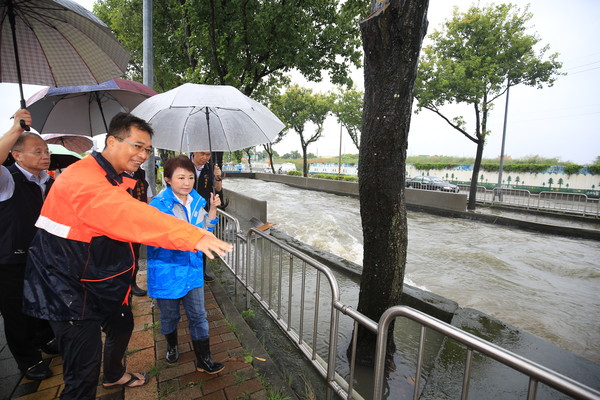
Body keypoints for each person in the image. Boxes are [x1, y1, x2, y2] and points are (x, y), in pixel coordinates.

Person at [22, 113, 232, 400]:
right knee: (82, 374)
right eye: (137, 146)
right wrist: (194, 236)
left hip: (101, 281)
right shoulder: (85, 179)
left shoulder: (117, 178)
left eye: (147, 149)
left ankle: (113, 375)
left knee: (122, 324)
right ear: (112, 142)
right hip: (70, 290)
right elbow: (132, 215)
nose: (143, 155)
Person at [147, 155, 225, 374]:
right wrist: (187, 238)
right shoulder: (157, 206)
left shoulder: (198, 201)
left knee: (198, 315)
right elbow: (157, 241)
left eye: (190, 177)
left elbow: (205, 230)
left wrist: (212, 210)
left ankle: (204, 359)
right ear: (168, 179)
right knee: (170, 316)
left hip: (191, 270)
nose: (187, 182)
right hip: (167, 270)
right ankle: (172, 345)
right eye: (181, 177)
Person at [0, 109, 58, 381]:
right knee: (15, 310)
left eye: (45, 150)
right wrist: (15, 130)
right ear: (17, 155)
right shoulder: (8, 179)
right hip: (10, 258)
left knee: (41, 299)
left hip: (41, 255)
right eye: (37, 151)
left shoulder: (48, 181)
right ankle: (27, 359)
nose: (44, 154)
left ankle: (44, 339)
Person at [191, 151, 224, 283]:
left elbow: (218, 188)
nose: (205, 157)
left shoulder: (210, 168)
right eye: (202, 154)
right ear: (194, 152)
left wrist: (217, 177)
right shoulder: (185, 166)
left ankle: (202, 272)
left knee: (203, 239)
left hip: (204, 211)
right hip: (187, 209)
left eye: (208, 154)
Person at [125, 167, 150, 297]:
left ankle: (132, 283)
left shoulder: (141, 174)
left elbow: (148, 195)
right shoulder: (113, 174)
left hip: (137, 223)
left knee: (135, 254)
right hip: (120, 223)